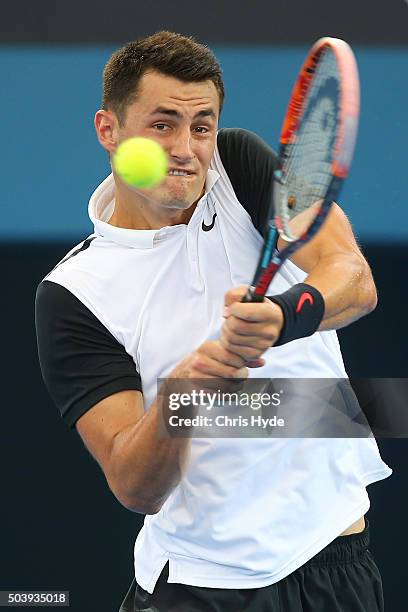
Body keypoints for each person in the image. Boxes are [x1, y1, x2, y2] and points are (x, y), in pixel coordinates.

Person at [35, 31, 392, 612]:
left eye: (201, 126)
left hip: (337, 564)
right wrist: (184, 396)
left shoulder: (240, 167)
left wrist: (284, 316)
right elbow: (134, 486)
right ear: (109, 130)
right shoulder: (73, 294)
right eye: (163, 124)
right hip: (203, 588)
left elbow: (353, 278)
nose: (187, 147)